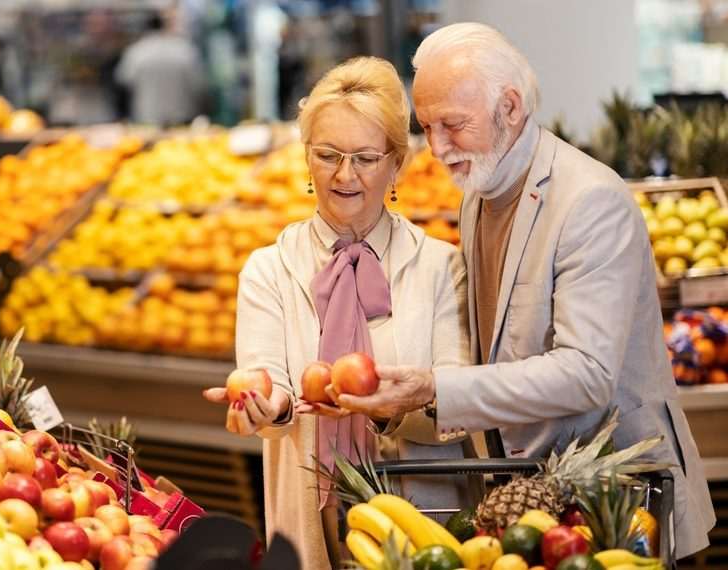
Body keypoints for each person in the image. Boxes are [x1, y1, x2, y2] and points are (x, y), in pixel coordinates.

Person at [330, 23, 715, 558]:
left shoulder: (590, 202)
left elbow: (587, 374)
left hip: (621, 507)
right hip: (534, 503)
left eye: (454, 125)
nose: (438, 148)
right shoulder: (479, 193)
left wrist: (434, 386)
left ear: (510, 107)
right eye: (427, 127)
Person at [203, 57, 476, 570]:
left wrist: (388, 406)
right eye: (327, 154)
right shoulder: (269, 269)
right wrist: (267, 408)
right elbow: (273, 387)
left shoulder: (441, 266)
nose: (344, 174)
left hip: (426, 517)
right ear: (306, 157)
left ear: (397, 163)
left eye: (366, 158)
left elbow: (459, 403)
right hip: (313, 515)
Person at [114, 11, 206, 126]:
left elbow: (123, 81)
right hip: (181, 118)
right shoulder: (184, 50)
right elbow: (199, 86)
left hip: (147, 118)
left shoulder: (136, 52)